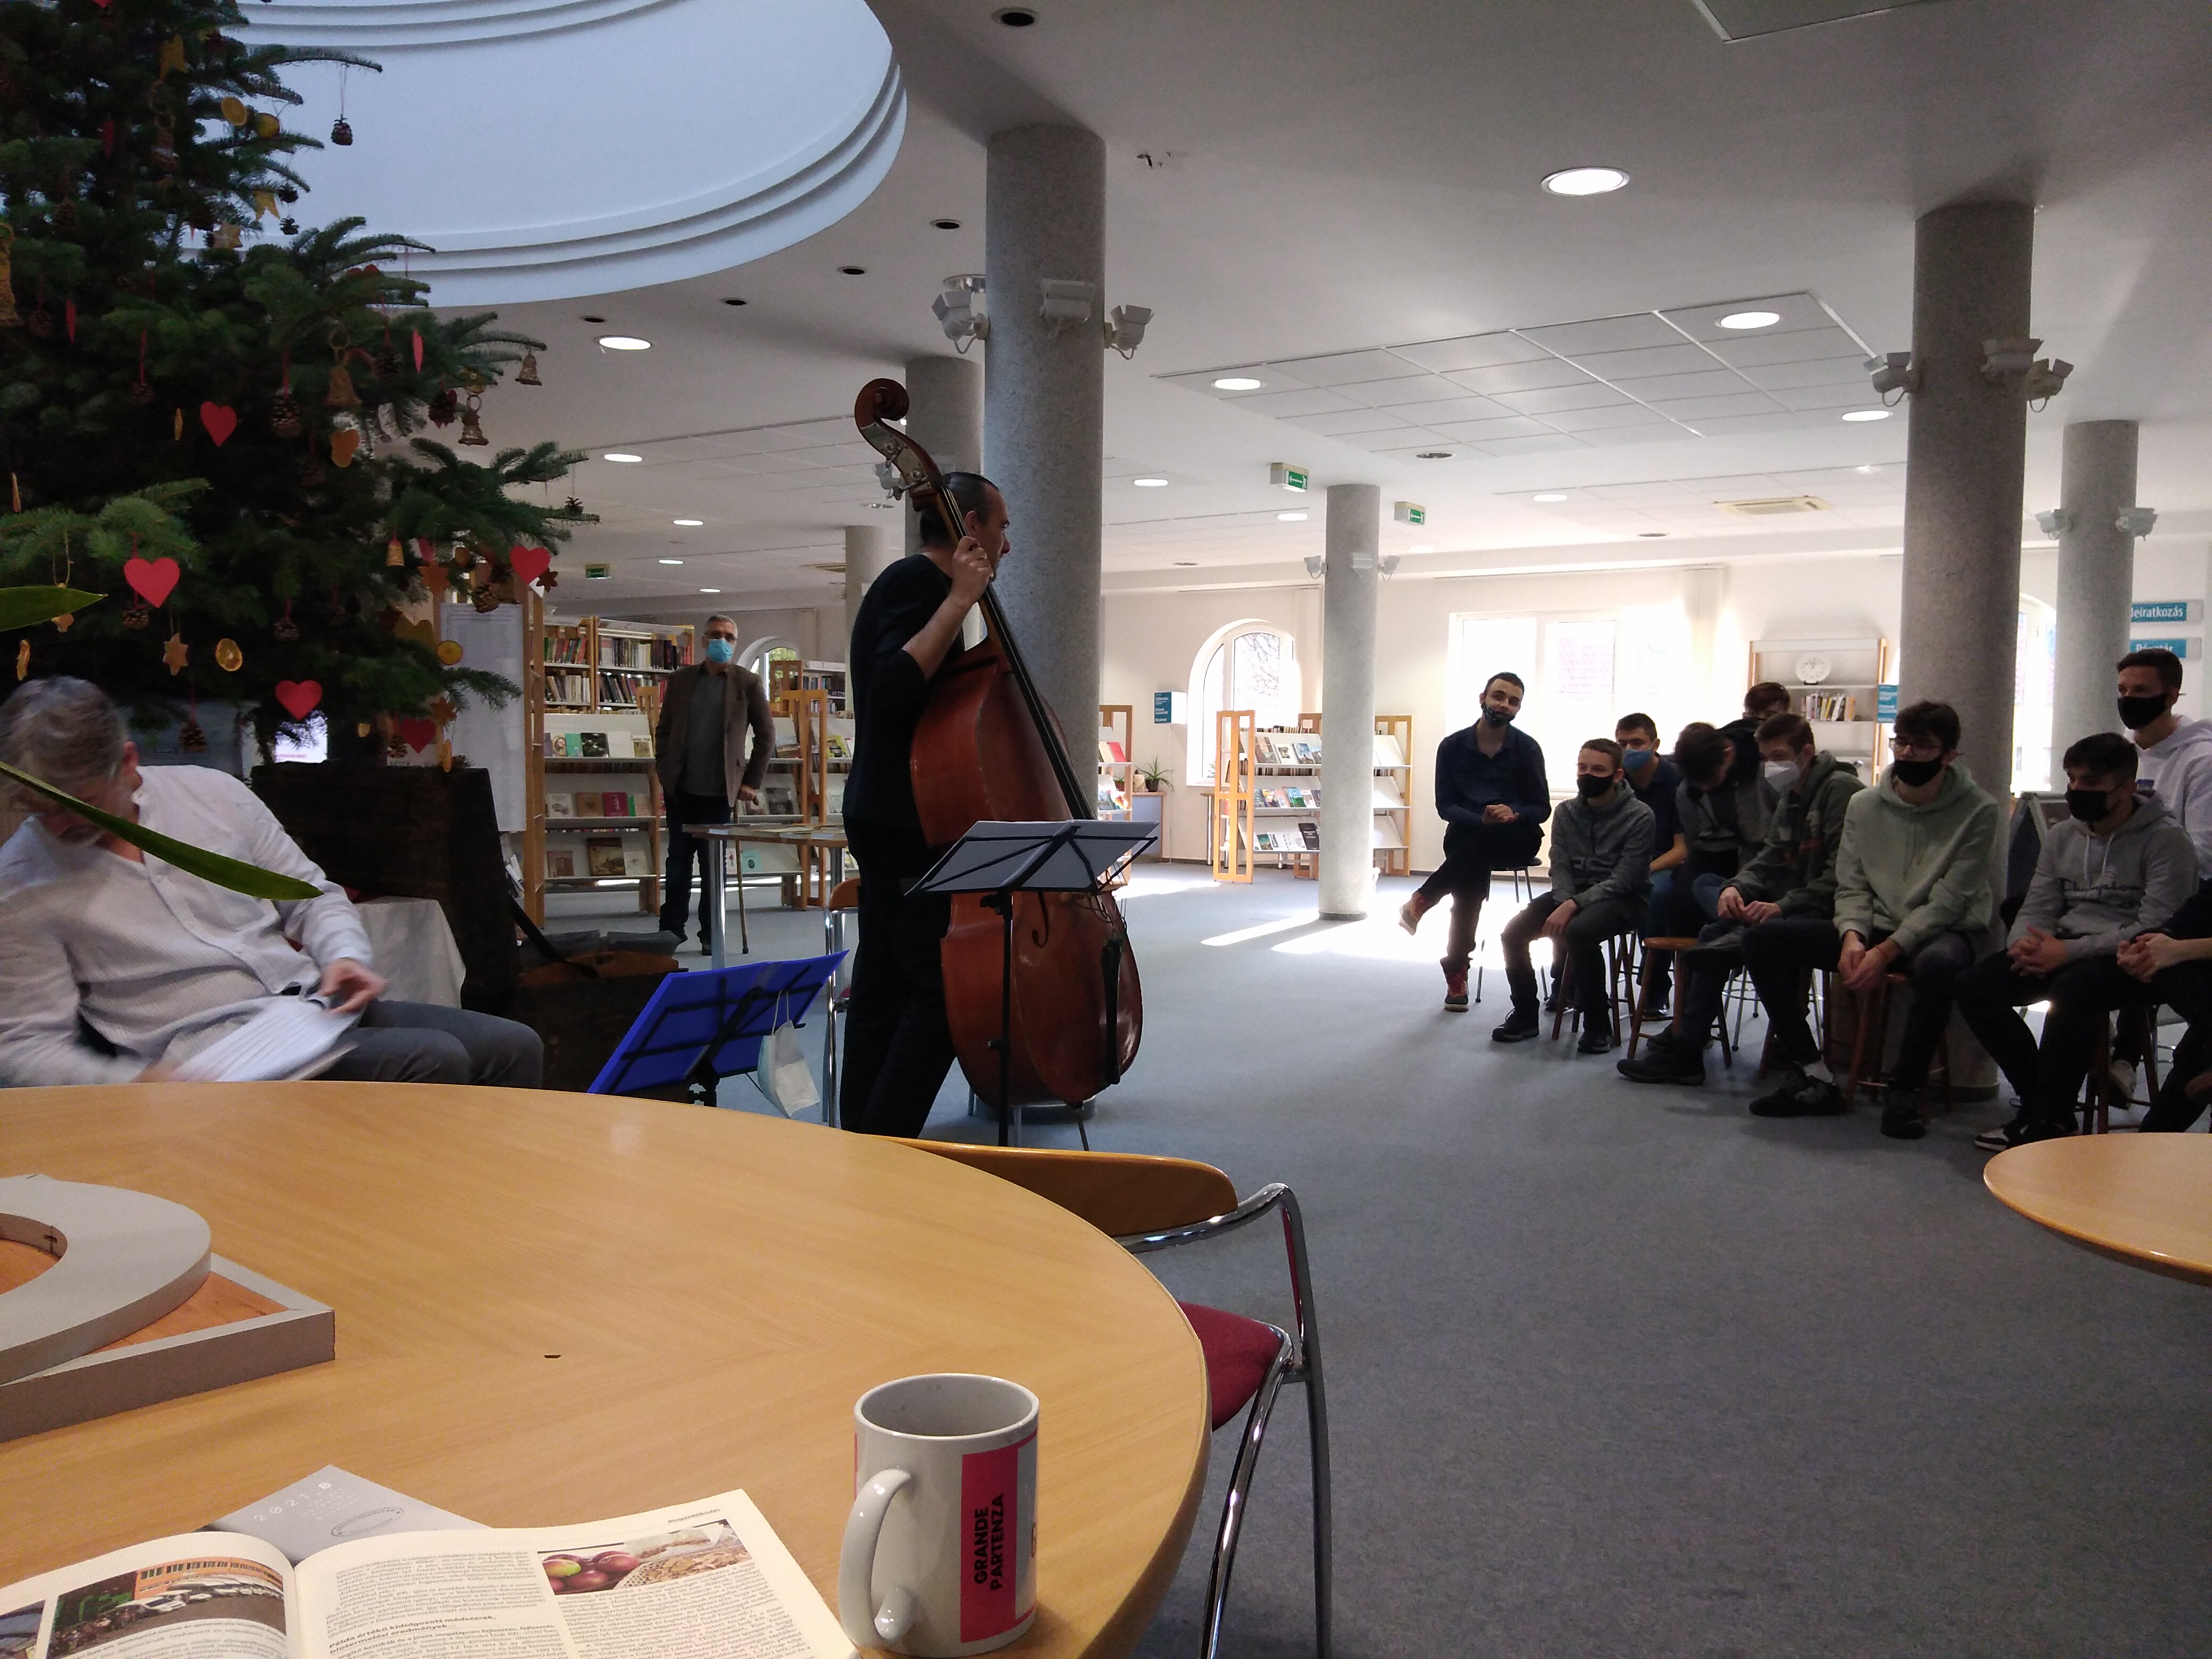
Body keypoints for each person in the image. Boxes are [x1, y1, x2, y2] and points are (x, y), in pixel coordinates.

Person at [0, 677, 542, 1087]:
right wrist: (132, 1083)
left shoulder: (212, 795)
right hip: (207, 1059)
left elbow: (312, 896)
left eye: (80, 805)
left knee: (513, 1045)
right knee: (431, 1059)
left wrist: (343, 955)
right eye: (37, 809)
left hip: (310, 1011)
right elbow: (25, 1045)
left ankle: (495, 1193)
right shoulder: (21, 883)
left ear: (127, 762)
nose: (58, 826)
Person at [839, 471, 1007, 1136]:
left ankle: (863, 1138)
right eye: (1000, 527)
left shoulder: (918, 587)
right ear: (971, 525)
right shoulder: (917, 583)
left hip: (894, 811)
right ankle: (886, 1139)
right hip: (902, 818)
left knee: (883, 981)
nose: (1005, 544)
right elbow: (892, 685)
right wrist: (961, 600)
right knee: (940, 990)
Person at [1955, 732, 2197, 1149]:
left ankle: (2050, 1119)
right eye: (2072, 780)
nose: (2077, 790)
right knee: (1976, 985)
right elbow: (2038, 902)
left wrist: (2066, 952)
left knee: (2074, 989)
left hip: (2133, 958)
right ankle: (2043, 1106)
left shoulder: (2167, 841)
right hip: (2064, 945)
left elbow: (2155, 927)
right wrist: (2023, 943)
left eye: (2091, 782)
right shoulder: (2064, 835)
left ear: (2126, 788)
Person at [1616, 713, 1862, 1104]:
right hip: (1789, 900)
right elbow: (1771, 856)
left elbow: (1840, 878)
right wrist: (1737, 887)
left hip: (1832, 911)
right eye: (1765, 758)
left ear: (1807, 752)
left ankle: (1699, 1035)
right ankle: (1689, 1049)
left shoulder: (1840, 791)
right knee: (1714, 924)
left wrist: (1779, 905)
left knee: (1743, 936)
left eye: (1778, 756)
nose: (1770, 767)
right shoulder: (1793, 792)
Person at [1824, 701, 2000, 1138]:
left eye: (1922, 746)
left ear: (1949, 755)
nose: (1907, 753)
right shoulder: (1864, 804)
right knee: (1768, 940)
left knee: (1939, 967)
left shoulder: (1980, 809)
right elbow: (1851, 883)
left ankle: (1905, 1087)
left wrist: (1886, 951)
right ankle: (1809, 1070)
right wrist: (1852, 936)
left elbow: (1950, 901)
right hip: (1874, 923)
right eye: (1901, 742)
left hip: (1943, 929)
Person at [1400, 673, 1549, 1012]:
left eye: (1513, 701)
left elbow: (1541, 808)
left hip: (1517, 836)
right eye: (1499, 696)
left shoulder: (1527, 748)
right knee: (1470, 880)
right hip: (1468, 833)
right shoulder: (1452, 747)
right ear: (1483, 698)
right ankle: (1456, 970)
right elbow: (1445, 806)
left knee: (1472, 860)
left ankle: (1426, 901)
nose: (1504, 705)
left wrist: (1513, 812)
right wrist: (1480, 819)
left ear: (1519, 709)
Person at [1494, 739, 1653, 1052]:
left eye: (1598, 770)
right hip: (1572, 893)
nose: (1588, 775)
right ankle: (1525, 1015)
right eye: (1582, 768)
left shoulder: (1640, 816)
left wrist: (1572, 905)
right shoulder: (1566, 811)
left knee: (1580, 932)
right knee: (1513, 933)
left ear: (1618, 776)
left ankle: (1598, 1024)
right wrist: (1566, 899)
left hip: (1624, 898)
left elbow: (1625, 879)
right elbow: (1560, 864)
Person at [653, 613, 775, 947]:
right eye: (715, 635)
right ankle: (670, 930)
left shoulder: (747, 683)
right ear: (704, 640)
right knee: (677, 863)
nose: (722, 641)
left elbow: (766, 736)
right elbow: (664, 729)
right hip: (681, 788)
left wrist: (751, 782)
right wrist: (663, 766)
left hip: (721, 791)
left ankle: (711, 933)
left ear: (735, 643)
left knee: (712, 867)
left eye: (729, 637)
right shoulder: (681, 680)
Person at [2116, 646, 2212, 873]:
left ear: (2171, 697)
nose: (2128, 699)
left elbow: (2203, 852)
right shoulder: (2118, 752)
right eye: (2123, 690)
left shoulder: (2202, 761)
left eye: (2141, 691)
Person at [1616, 712, 1686, 1011]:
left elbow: (1682, 849)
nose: (1628, 750)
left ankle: (1655, 987)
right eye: (1622, 743)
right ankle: (1569, 986)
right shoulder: (1616, 779)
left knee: (1655, 896)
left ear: (1655, 745)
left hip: (1665, 864)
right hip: (1620, 862)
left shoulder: (1677, 781)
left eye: (1637, 743)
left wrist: (1643, 870)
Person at [1666, 722, 1764, 933]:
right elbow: (1693, 839)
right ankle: (1729, 931)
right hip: (1710, 850)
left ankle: (1740, 930)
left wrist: (1740, 883)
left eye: (1710, 780)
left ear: (1728, 756)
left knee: (1746, 891)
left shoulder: (1758, 772)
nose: (1705, 788)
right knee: (1680, 900)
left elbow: (1759, 837)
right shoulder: (1687, 789)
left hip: (1756, 848)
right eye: (1698, 783)